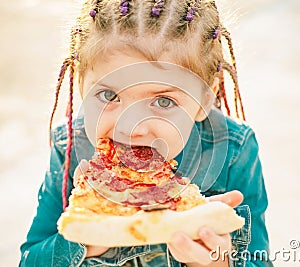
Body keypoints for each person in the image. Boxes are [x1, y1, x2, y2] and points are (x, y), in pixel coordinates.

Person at [20, 0, 273, 266]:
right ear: (81, 84)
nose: (130, 127)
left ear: (204, 101)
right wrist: (87, 234)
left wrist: (217, 262)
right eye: (109, 95)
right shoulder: (69, 145)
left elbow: (259, 260)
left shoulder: (235, 149)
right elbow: (30, 259)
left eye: (163, 102)